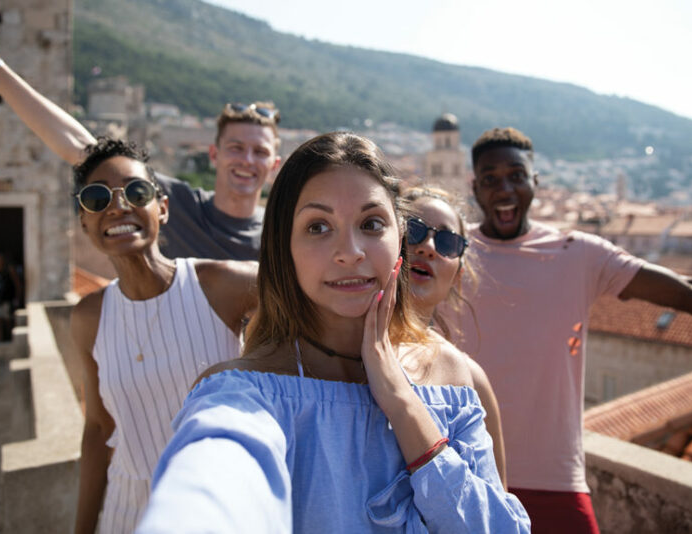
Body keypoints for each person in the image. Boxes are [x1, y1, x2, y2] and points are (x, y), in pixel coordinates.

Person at [136, 132, 530, 533]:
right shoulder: (242, 394)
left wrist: (403, 404)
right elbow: (212, 484)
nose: (350, 251)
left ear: (399, 241)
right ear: (283, 249)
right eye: (318, 227)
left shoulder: (451, 376)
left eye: (372, 223)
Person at [453, 126, 692, 533]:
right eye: (491, 179)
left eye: (516, 176)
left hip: (555, 478)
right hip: (467, 473)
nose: (505, 189)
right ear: (475, 186)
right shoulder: (450, 253)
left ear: (536, 181)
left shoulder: (577, 253)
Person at [0, 0, 281, 260]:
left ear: (275, 164)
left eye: (260, 151)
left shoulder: (283, 236)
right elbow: (80, 147)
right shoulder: (177, 206)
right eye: (236, 147)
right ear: (214, 154)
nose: (247, 160)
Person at [67, 138, 256, 533]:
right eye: (97, 198)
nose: (118, 206)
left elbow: (311, 292)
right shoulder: (89, 317)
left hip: (218, 506)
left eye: (136, 192)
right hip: (126, 511)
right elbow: (99, 429)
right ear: (85, 222)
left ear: (163, 208)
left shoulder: (222, 286)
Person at [402, 185, 507, 488]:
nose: (428, 247)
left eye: (448, 242)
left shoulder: (472, 381)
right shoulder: (335, 353)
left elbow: (497, 511)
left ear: (458, 276)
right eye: (413, 230)